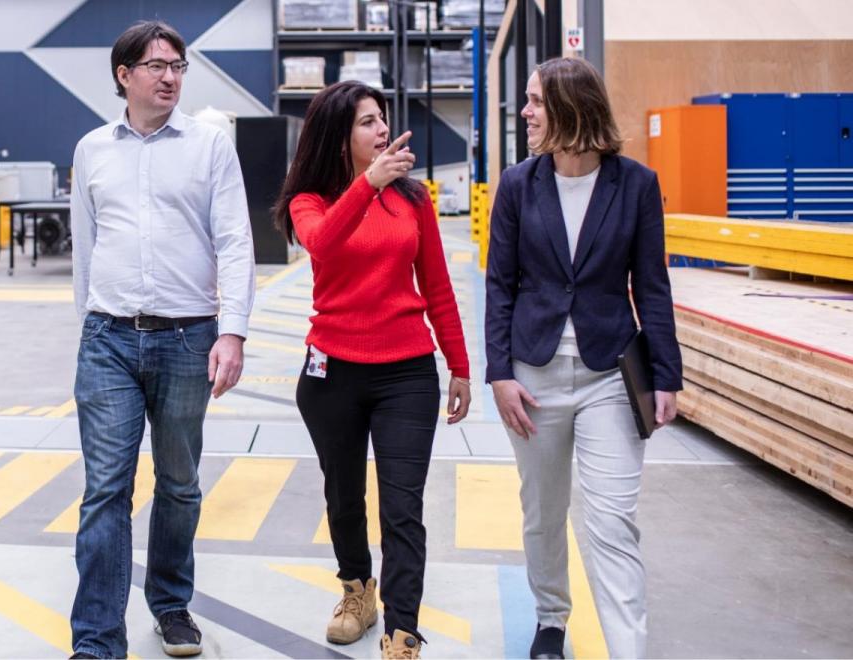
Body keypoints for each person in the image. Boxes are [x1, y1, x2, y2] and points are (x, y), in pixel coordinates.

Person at [67, 20, 255, 660]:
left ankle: (171, 604)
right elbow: (85, 250)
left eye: (177, 65)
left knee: (178, 483)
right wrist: (89, 324)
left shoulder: (209, 146)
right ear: (124, 75)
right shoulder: (92, 149)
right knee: (105, 490)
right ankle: (96, 639)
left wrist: (232, 332)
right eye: (156, 66)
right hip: (109, 340)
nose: (170, 76)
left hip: (187, 340)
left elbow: (235, 241)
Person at [484, 57, 682, 659]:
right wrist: (498, 374)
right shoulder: (519, 184)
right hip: (534, 375)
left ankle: (629, 648)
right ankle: (551, 620)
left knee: (613, 522)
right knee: (543, 513)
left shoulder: (636, 185)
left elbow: (652, 285)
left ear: (572, 106)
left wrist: (667, 375)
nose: (526, 112)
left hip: (609, 378)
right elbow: (500, 284)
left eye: (536, 101)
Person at [272, 81, 472, 660]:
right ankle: (357, 590)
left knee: (403, 505)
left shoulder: (415, 199)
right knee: (344, 496)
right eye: (367, 122)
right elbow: (325, 245)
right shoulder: (310, 200)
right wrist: (368, 185)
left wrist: (458, 364)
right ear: (339, 135)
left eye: (383, 119)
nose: (382, 130)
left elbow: (435, 283)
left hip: (407, 371)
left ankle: (401, 630)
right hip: (331, 373)